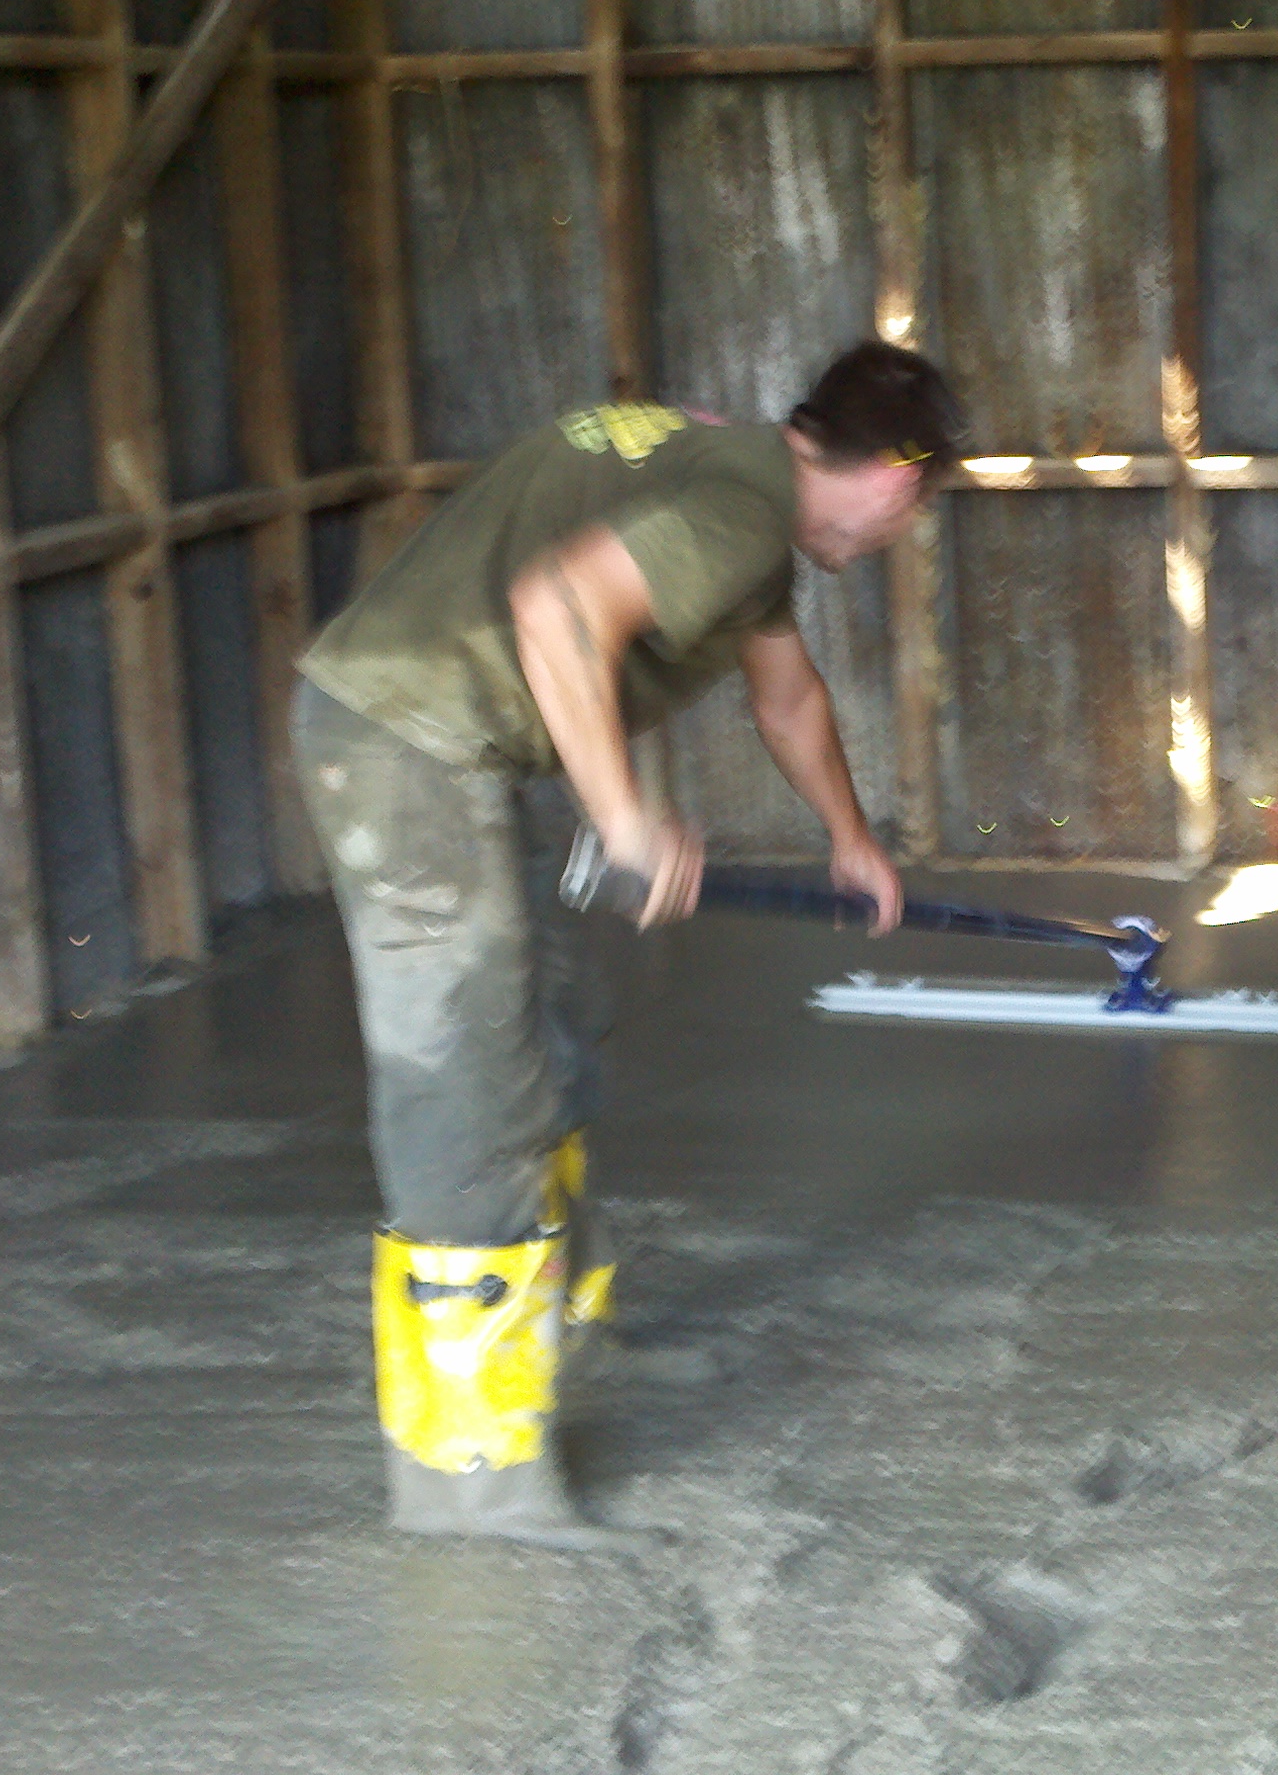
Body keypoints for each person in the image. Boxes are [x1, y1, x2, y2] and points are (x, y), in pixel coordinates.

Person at [290, 341, 964, 1546]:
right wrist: (626, 819)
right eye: (915, 506)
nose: (898, 533)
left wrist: (849, 839)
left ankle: (559, 1337)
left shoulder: (742, 485)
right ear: (901, 479)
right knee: (463, 1084)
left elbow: (788, 694)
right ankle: (468, 1476)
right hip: (407, 743)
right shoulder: (738, 509)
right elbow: (556, 606)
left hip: (455, 744)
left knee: (546, 1023)